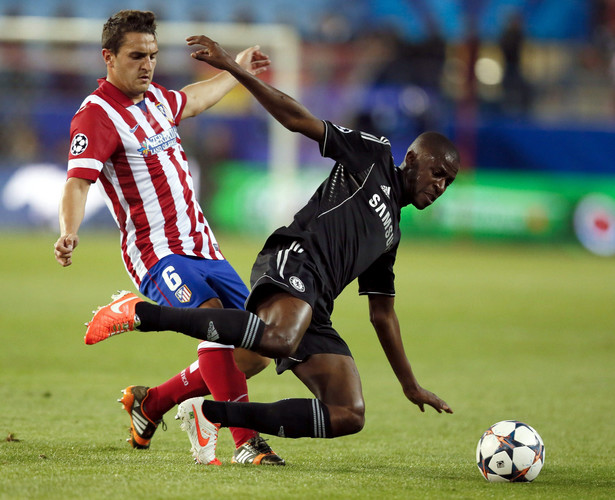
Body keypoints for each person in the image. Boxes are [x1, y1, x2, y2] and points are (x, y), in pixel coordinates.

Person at [84, 35, 459, 465]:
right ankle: (140, 315)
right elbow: (299, 119)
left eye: (448, 182)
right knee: (277, 340)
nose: (439, 186)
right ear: (412, 159)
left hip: (316, 305)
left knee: (346, 411)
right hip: (293, 259)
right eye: (437, 173)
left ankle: (193, 410)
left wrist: (409, 385)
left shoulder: (391, 233)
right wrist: (235, 69)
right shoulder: (374, 155)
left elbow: (382, 314)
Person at [53, 11, 284, 465]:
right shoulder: (96, 115)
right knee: (216, 326)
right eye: (137, 56)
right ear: (109, 58)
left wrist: (234, 68)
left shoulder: (157, 99)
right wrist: (68, 231)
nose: (147, 65)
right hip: (157, 252)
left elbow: (193, 99)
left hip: (204, 247)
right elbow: (78, 182)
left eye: (153, 56)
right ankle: (246, 442)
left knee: (261, 346)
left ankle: (153, 402)